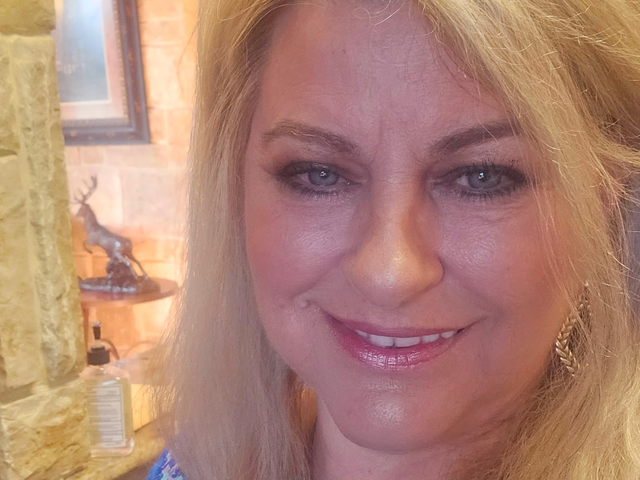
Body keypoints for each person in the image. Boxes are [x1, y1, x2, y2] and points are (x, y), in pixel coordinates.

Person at [150, 0, 640, 479]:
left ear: (604, 197)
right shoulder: (194, 465)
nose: (388, 273)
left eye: (482, 176)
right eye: (319, 174)